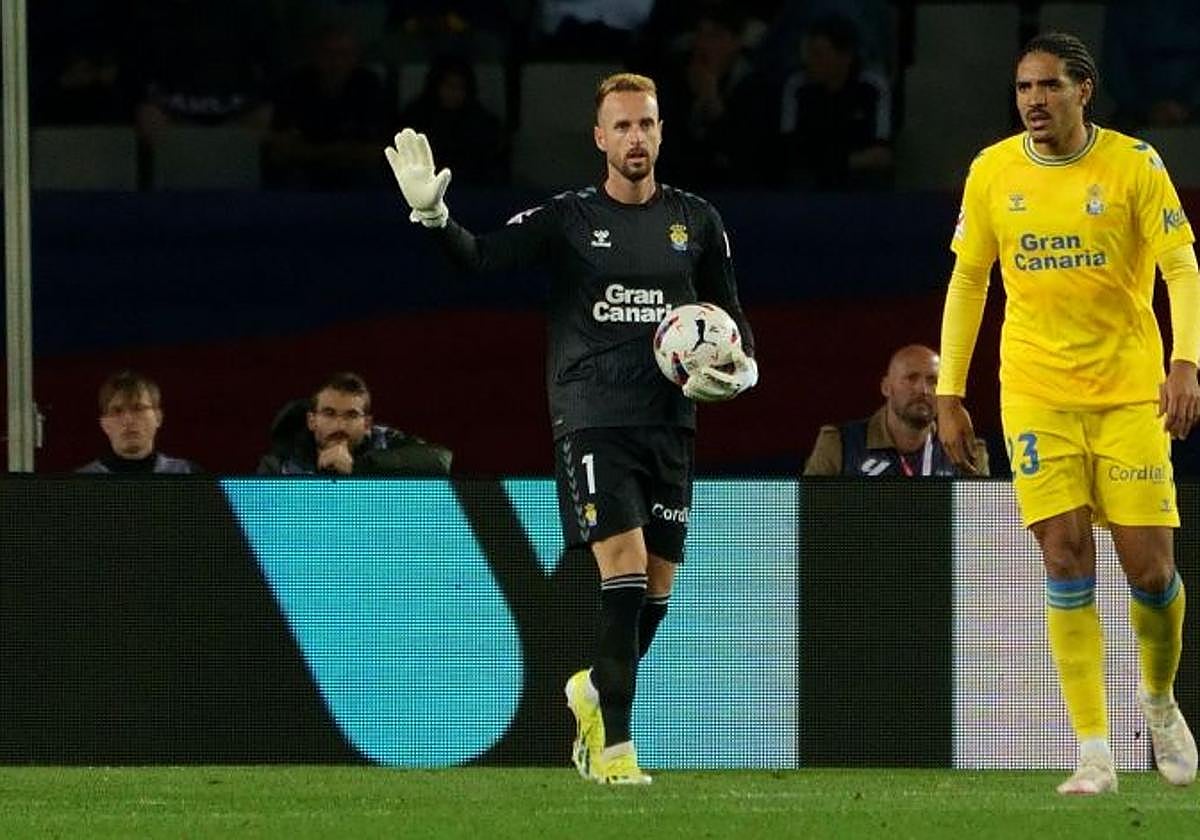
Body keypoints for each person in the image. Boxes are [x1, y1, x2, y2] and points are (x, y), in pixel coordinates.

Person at [384, 71, 758, 784]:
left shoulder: (698, 222)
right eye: (621, 127)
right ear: (599, 138)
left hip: (670, 425)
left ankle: (593, 688)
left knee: (656, 594)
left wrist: (743, 368)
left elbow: (731, 316)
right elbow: (481, 259)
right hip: (592, 420)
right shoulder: (569, 220)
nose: (635, 138)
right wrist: (435, 220)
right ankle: (615, 749)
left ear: (660, 131)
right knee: (620, 568)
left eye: (646, 124)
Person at [936, 32, 1200, 795]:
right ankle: (1093, 750)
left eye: (1048, 86)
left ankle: (1157, 701)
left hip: (1127, 391)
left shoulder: (1133, 164)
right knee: (1062, 553)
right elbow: (969, 281)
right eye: (1023, 89)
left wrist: (1185, 361)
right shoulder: (993, 171)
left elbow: (1181, 264)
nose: (1033, 102)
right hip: (1036, 391)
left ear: (1084, 90)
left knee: (1150, 570)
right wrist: (952, 391)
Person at [804, 344, 987, 476]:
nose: (923, 390)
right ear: (886, 387)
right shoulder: (840, 444)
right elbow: (809, 520)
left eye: (933, 381)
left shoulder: (966, 450)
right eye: (911, 378)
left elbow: (984, 526)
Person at [264, 22, 397, 190]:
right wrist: (331, 152)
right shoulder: (296, 84)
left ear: (355, 57)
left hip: (357, 170)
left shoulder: (369, 85)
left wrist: (321, 151)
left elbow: (380, 148)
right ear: (316, 55)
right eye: (328, 53)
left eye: (344, 54)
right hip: (304, 170)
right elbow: (280, 146)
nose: (336, 62)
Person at [256, 371, 452, 476]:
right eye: (329, 413)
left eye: (351, 415)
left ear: (367, 424)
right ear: (311, 421)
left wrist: (359, 468)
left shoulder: (384, 440)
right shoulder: (281, 464)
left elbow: (441, 460)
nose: (340, 425)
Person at [777, 13, 893, 190]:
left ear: (845, 56)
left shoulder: (872, 86)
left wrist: (830, 161)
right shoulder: (797, 86)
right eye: (808, 52)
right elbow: (790, 152)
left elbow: (880, 156)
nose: (809, 61)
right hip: (812, 179)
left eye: (818, 54)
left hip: (856, 178)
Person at [78, 370, 200, 474]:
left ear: (158, 418)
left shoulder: (187, 473)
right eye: (117, 411)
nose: (128, 420)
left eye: (138, 408)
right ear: (104, 425)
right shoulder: (79, 484)